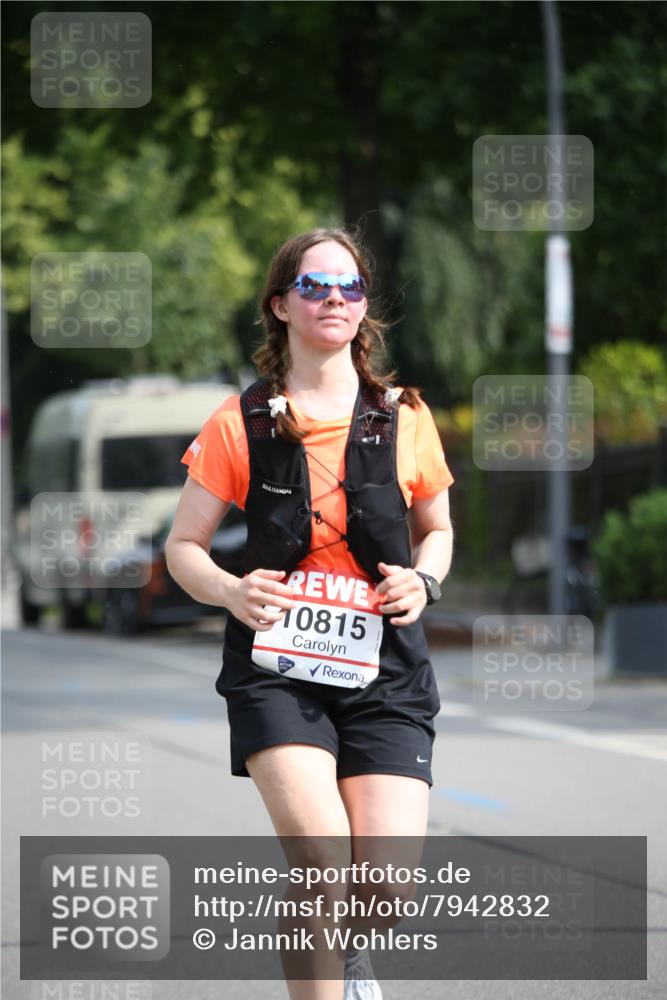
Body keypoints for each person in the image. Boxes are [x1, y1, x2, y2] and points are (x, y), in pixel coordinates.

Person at [165, 227, 454, 1000]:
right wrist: (228, 590)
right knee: (321, 861)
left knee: (384, 891)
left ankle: (346, 951)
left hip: (385, 670)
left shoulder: (404, 418)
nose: (334, 298)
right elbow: (183, 548)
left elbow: (438, 529)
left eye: (349, 287)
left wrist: (424, 581)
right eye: (316, 286)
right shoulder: (239, 422)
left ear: (364, 311)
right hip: (276, 671)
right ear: (280, 305)